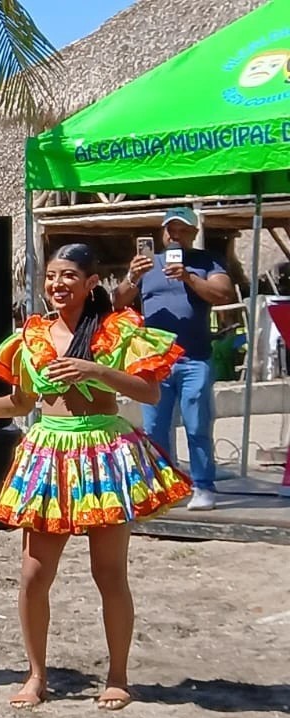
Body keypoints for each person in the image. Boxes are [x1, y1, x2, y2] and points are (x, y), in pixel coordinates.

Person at [0, 244, 191, 711]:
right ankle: (36, 675)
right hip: (49, 454)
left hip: (103, 454)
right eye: (51, 276)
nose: (57, 285)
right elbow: (22, 404)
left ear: (92, 283)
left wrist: (95, 369)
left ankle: (117, 676)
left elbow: (148, 392)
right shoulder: (32, 336)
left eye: (68, 275)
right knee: (33, 574)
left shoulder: (116, 331)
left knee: (108, 573)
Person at [112, 207, 235, 511]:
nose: (175, 235)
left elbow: (223, 293)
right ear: (162, 233)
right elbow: (116, 301)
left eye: (182, 230)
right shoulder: (147, 265)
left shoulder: (208, 261)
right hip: (154, 363)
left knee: (197, 425)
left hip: (195, 358)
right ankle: (163, 486)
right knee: (154, 429)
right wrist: (132, 276)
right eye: (170, 229)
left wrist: (189, 278)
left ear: (193, 233)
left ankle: (203, 486)